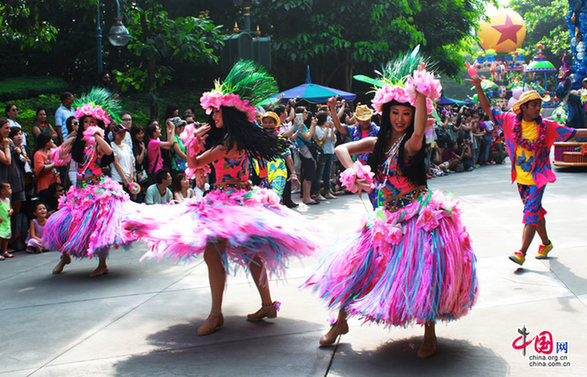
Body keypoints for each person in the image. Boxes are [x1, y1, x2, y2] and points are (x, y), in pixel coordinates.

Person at [125, 60, 318, 336]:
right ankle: (266, 304)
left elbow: (192, 163)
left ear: (228, 113)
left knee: (212, 255)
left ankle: (216, 314)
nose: (212, 116)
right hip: (240, 199)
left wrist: (192, 139)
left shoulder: (227, 143)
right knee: (252, 254)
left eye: (216, 111)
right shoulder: (235, 139)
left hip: (228, 202)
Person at [305, 61, 477, 358]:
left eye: (406, 113)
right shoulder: (377, 143)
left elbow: (421, 130)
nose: (400, 118)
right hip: (384, 218)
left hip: (418, 217)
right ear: (385, 114)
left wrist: (421, 93)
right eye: (395, 113)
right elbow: (340, 149)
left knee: (425, 273)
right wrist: (355, 171)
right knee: (358, 268)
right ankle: (340, 322)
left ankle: (429, 333)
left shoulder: (413, 143)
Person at [472, 77, 587, 265]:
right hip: (521, 179)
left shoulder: (547, 127)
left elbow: (572, 133)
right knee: (535, 212)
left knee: (531, 213)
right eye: (534, 105)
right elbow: (488, 110)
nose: (538, 108)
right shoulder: (509, 121)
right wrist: (478, 86)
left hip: (538, 177)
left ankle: (521, 252)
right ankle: (546, 243)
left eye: (539, 105)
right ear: (523, 107)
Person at [45, 88, 134, 277]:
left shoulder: (97, 140)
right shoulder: (77, 141)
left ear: (98, 122)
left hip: (98, 188)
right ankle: (64, 257)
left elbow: (109, 152)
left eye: (91, 121)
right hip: (79, 189)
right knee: (69, 223)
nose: (87, 124)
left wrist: (95, 135)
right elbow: (60, 155)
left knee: (97, 225)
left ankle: (102, 264)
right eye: (85, 121)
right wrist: (70, 140)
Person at [254, 111, 299, 201]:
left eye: (270, 122)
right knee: (262, 200)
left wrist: (293, 173)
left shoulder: (280, 140)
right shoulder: (259, 139)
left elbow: (288, 156)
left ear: (275, 124)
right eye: (265, 122)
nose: (268, 125)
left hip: (278, 172)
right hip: (264, 174)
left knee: (275, 199)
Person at [33, 132, 61, 198]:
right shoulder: (38, 154)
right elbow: (41, 168)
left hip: (55, 184)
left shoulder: (50, 152)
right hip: (45, 186)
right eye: (50, 140)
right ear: (46, 142)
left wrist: (55, 147)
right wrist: (53, 164)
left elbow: (60, 157)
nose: (52, 141)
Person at [110, 124, 134, 193]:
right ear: (115, 134)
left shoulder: (127, 146)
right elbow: (116, 163)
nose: (122, 134)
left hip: (129, 179)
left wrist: (131, 176)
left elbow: (130, 162)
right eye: (120, 132)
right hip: (118, 179)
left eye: (124, 132)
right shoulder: (112, 145)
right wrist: (124, 179)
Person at [0, 182, 14, 260]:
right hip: (1, 223)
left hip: (7, 222)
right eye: (8, 188)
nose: (10, 190)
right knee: (0, 237)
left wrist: (11, 211)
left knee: (6, 237)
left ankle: (4, 251)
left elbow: (11, 208)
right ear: (2, 191)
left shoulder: (8, 200)